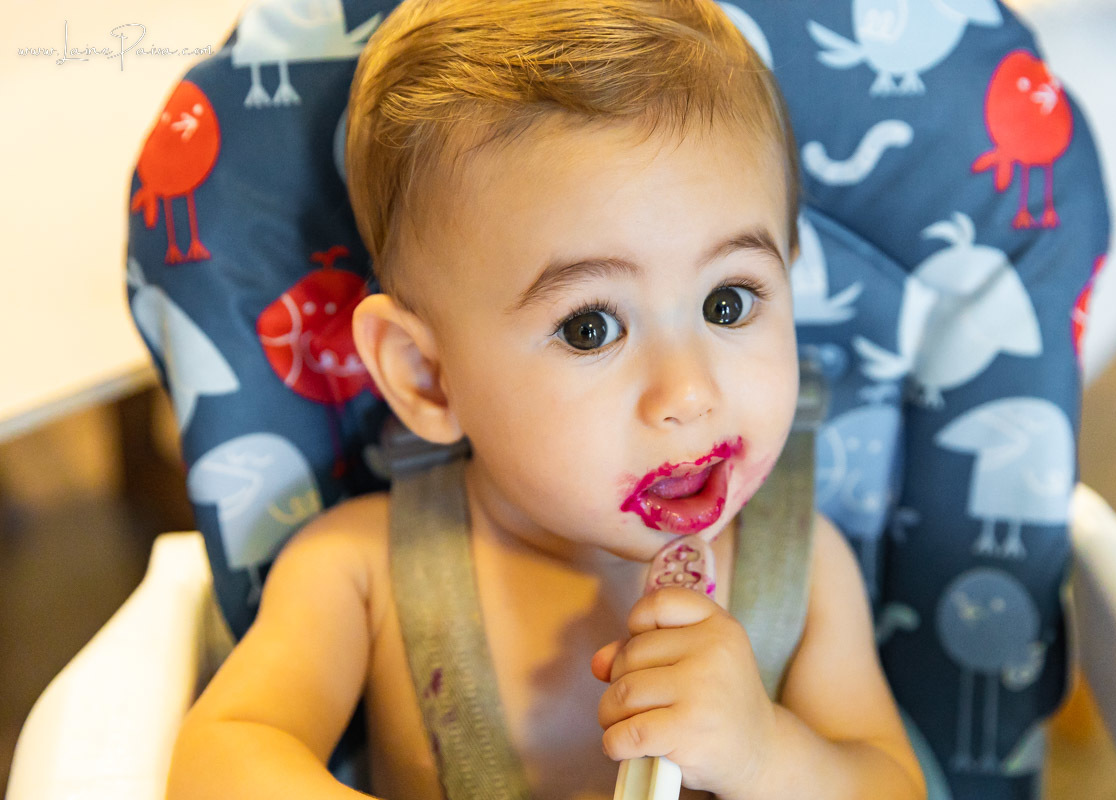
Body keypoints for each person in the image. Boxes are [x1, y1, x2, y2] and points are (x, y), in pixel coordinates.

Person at [166, 0, 924, 797]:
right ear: (427, 376)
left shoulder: (801, 571)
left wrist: (763, 753)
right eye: (590, 327)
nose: (689, 393)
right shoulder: (358, 574)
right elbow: (218, 761)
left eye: (728, 302)